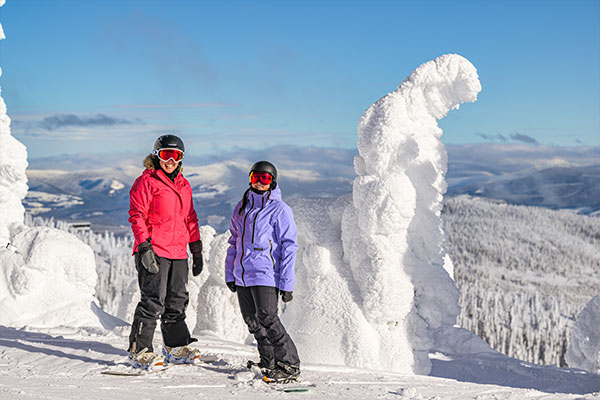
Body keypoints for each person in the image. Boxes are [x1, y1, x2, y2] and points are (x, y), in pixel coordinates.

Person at [127, 134, 204, 369]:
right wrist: (144, 247)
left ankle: (175, 347)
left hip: (179, 251)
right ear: (156, 156)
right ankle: (139, 350)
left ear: (181, 159)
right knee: (152, 301)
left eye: (175, 155)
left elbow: (190, 217)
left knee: (177, 301)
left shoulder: (184, 184)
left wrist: (196, 248)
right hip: (155, 249)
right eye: (165, 155)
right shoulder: (146, 182)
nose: (170, 160)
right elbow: (137, 215)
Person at [225, 161, 301, 383]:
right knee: (251, 320)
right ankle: (268, 361)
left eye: (264, 179)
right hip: (242, 275)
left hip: (266, 274)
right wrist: (230, 274)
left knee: (268, 318)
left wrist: (286, 283)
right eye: (255, 177)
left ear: (272, 182)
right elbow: (233, 243)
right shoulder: (242, 207)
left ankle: (289, 365)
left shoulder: (280, 210)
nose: (259, 183)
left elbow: (289, 246)